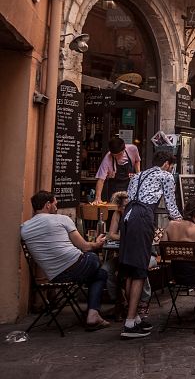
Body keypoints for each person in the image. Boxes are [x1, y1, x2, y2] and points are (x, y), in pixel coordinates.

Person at [21, 191, 110, 331]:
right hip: (77, 267)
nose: (57, 208)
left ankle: (93, 314)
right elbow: (85, 247)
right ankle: (93, 313)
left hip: (55, 276)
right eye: (55, 204)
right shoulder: (61, 219)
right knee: (97, 265)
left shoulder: (24, 228)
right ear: (47, 205)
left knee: (99, 274)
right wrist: (98, 243)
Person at [118, 150, 179, 339]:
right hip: (143, 216)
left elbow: (128, 198)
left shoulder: (137, 175)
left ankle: (134, 317)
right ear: (167, 164)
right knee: (138, 270)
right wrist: (184, 222)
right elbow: (171, 206)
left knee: (128, 269)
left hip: (127, 217)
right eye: (171, 165)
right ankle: (129, 322)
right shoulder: (166, 175)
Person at [92, 137, 141, 204]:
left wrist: (138, 176)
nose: (117, 157)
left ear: (124, 149)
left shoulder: (133, 149)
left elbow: (137, 161)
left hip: (130, 184)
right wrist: (98, 198)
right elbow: (101, 179)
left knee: (129, 207)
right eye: (114, 156)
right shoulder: (107, 158)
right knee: (114, 208)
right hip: (114, 186)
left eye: (119, 155)